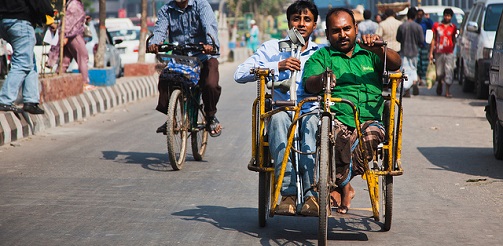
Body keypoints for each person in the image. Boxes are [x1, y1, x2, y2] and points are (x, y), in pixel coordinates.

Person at [302, 7, 401, 214]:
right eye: (336, 30)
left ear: (356, 28)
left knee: (371, 137)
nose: (342, 34)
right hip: (337, 116)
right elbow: (308, 84)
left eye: (347, 28)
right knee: (331, 136)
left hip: (369, 120)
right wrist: (322, 79)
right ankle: (344, 186)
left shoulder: (370, 53)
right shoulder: (322, 57)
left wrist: (380, 48)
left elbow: (395, 64)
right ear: (328, 33)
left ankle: (341, 185)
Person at [234, 0, 320, 216]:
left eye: (306, 19)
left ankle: (311, 195)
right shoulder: (272, 48)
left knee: (310, 124)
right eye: (296, 19)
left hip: (311, 111)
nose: (301, 24)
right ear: (288, 22)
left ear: (314, 25)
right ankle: (288, 194)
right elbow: (239, 74)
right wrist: (276, 66)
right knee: (280, 120)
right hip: (282, 109)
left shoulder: (322, 52)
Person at [148, 0, 222, 137]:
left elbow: (209, 26)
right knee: (165, 79)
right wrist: (155, 43)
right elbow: (159, 30)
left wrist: (210, 44)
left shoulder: (201, 5)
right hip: (180, 58)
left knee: (211, 84)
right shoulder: (166, 9)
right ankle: (171, 119)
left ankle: (210, 117)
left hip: (203, 56)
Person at [0, 0, 53, 114]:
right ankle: (5, 100)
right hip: (20, 22)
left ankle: (31, 101)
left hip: (4, 21)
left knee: (29, 60)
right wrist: (49, 12)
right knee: (23, 63)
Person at [46, 0, 91, 91]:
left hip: (70, 35)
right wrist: (65, 35)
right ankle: (84, 82)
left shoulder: (73, 3)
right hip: (73, 35)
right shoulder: (74, 4)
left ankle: (56, 83)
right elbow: (69, 23)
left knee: (65, 60)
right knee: (83, 56)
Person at [396, 7, 424, 96]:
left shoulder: (402, 26)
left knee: (405, 71)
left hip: (404, 51)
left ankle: (407, 90)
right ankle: (414, 82)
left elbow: (398, 38)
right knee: (413, 69)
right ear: (415, 16)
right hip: (415, 51)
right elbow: (421, 40)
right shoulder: (418, 27)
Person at [429, 8, 457, 98]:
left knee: (449, 71)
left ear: (451, 17)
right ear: (444, 15)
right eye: (446, 15)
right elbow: (433, 39)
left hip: (449, 52)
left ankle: (447, 91)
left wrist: (453, 49)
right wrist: (431, 53)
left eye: (449, 16)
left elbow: (454, 40)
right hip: (439, 52)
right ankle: (440, 83)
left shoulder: (453, 27)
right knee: (439, 72)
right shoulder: (437, 26)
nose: (447, 17)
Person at [415, 9, 433, 87]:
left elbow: (432, 26)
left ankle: (423, 78)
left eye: (420, 15)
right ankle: (418, 77)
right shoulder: (415, 22)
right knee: (418, 63)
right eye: (418, 14)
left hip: (424, 45)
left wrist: (428, 18)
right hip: (416, 45)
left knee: (424, 63)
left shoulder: (425, 22)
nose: (419, 16)